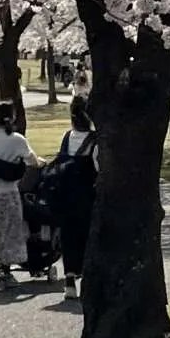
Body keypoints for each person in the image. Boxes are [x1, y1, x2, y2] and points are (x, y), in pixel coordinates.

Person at [0, 102, 39, 292]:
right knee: (7, 232)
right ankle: (4, 270)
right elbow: (32, 161)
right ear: (11, 118)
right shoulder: (17, 140)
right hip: (7, 193)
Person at [48, 97, 98, 300]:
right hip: (86, 194)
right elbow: (98, 167)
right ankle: (86, 275)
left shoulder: (67, 137)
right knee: (87, 235)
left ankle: (69, 279)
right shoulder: (95, 140)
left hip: (65, 194)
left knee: (69, 236)